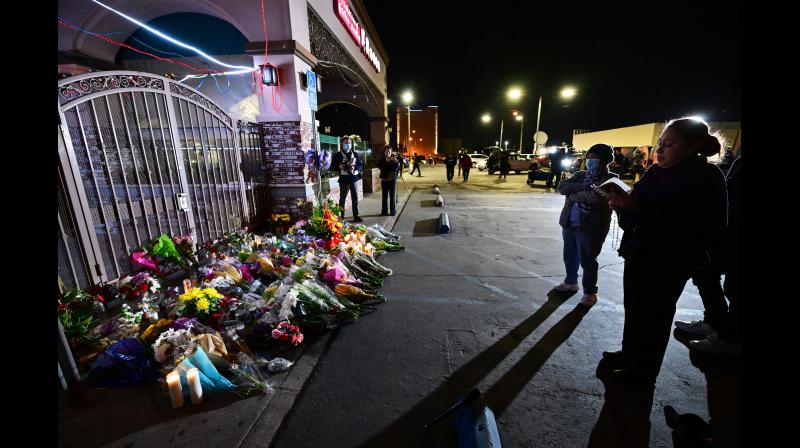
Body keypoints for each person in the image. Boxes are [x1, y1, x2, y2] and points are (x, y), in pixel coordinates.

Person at [602, 118, 727, 384]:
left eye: (668, 144)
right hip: (638, 252)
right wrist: (623, 205)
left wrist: (637, 210)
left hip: (670, 261)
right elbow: (637, 212)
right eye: (659, 144)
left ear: (693, 146)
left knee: (655, 315)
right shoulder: (655, 173)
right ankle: (628, 354)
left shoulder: (706, 177)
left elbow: (698, 226)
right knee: (634, 307)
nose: (659, 150)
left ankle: (643, 370)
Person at [689, 153, 741, 356]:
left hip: (732, 235)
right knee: (706, 277)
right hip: (725, 235)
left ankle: (730, 339)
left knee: (735, 288)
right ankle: (715, 323)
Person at [554, 144, 618, 307]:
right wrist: (584, 187)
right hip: (569, 223)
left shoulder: (611, 179)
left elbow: (596, 199)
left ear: (604, 160)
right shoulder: (581, 175)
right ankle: (570, 282)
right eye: (588, 158)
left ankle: (590, 293)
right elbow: (562, 188)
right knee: (570, 256)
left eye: (594, 158)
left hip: (592, 227)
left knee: (588, 260)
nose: (590, 161)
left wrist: (573, 193)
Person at [331, 136, 364, 222]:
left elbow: (360, 165)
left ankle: (356, 216)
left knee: (355, 198)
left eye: (349, 143)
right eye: (346, 143)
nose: (348, 145)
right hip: (344, 180)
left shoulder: (355, 154)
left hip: (354, 179)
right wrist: (339, 166)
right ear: (342, 144)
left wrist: (356, 169)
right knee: (342, 199)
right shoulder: (337, 155)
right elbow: (332, 167)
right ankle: (341, 217)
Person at [377, 145, 399, 216]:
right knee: (384, 197)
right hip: (384, 180)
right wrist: (387, 162)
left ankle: (392, 211)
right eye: (386, 151)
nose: (388, 153)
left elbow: (395, 168)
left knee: (392, 196)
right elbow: (381, 167)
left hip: (392, 180)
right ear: (384, 152)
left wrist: (396, 163)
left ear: (391, 152)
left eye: (389, 151)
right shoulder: (381, 160)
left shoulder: (394, 160)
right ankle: (384, 212)